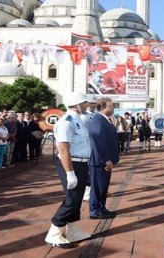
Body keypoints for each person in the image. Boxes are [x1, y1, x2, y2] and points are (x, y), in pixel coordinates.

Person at [45, 92, 92, 248]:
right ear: (77, 104)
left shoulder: (79, 119)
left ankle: (73, 229)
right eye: (84, 102)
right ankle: (54, 231)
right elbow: (64, 149)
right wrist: (70, 173)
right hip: (71, 163)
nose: (87, 105)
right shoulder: (66, 122)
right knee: (71, 199)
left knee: (78, 199)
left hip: (82, 163)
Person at [88, 97, 119, 220]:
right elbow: (99, 142)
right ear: (103, 108)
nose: (113, 108)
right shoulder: (98, 121)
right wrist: (107, 159)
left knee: (103, 187)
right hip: (100, 161)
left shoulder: (104, 120)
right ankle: (95, 210)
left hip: (104, 160)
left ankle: (102, 208)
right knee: (97, 187)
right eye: (111, 106)